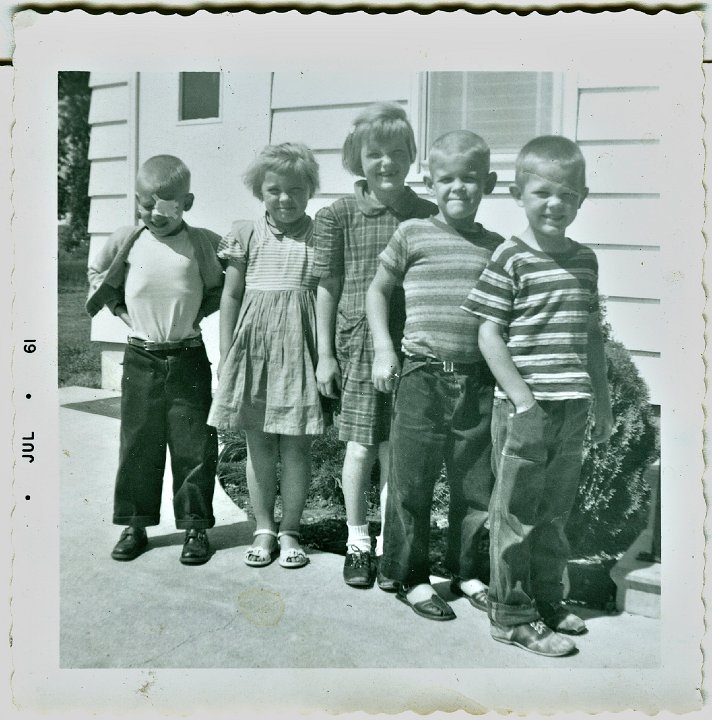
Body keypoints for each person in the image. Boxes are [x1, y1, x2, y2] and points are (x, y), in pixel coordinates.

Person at [462, 135, 613, 655]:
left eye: (567, 195)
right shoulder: (511, 257)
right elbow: (488, 333)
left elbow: (591, 335)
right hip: (525, 408)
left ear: (583, 198)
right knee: (517, 513)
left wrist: (604, 403)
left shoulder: (585, 260)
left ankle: (548, 600)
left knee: (553, 512)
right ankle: (512, 613)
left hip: (572, 407)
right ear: (518, 193)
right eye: (543, 193)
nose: (555, 204)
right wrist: (523, 400)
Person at [367, 130, 503, 620]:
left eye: (470, 179)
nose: (459, 188)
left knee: (474, 486)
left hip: (477, 380)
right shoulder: (413, 233)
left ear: (487, 182)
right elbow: (378, 291)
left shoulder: (496, 248)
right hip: (423, 375)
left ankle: (467, 573)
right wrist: (385, 348)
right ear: (431, 181)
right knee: (412, 481)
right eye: (447, 179)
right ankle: (409, 576)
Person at [314, 103, 438, 589]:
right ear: (357, 160)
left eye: (397, 153)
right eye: (374, 154)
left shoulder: (427, 213)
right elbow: (327, 285)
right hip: (359, 343)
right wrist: (325, 353)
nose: (386, 163)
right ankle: (358, 540)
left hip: (414, 342)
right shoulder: (339, 214)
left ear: (412, 157)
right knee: (363, 444)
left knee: (398, 447)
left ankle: (392, 545)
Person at [86, 154, 224, 565]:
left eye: (165, 206)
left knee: (194, 447)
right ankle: (136, 524)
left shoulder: (201, 243)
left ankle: (196, 528)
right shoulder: (128, 239)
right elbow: (98, 274)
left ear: (188, 201)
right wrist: (120, 312)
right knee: (138, 444)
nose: (154, 214)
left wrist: (199, 313)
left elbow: (227, 282)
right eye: (145, 205)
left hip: (187, 357)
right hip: (141, 357)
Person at [207, 143, 324, 569]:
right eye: (274, 189)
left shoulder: (321, 233)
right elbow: (232, 294)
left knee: (295, 448)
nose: (285, 198)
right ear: (260, 191)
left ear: (310, 190)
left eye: (296, 189)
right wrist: (226, 352)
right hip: (255, 349)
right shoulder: (246, 233)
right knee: (259, 445)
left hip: (300, 351)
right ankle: (264, 527)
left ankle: (291, 529)